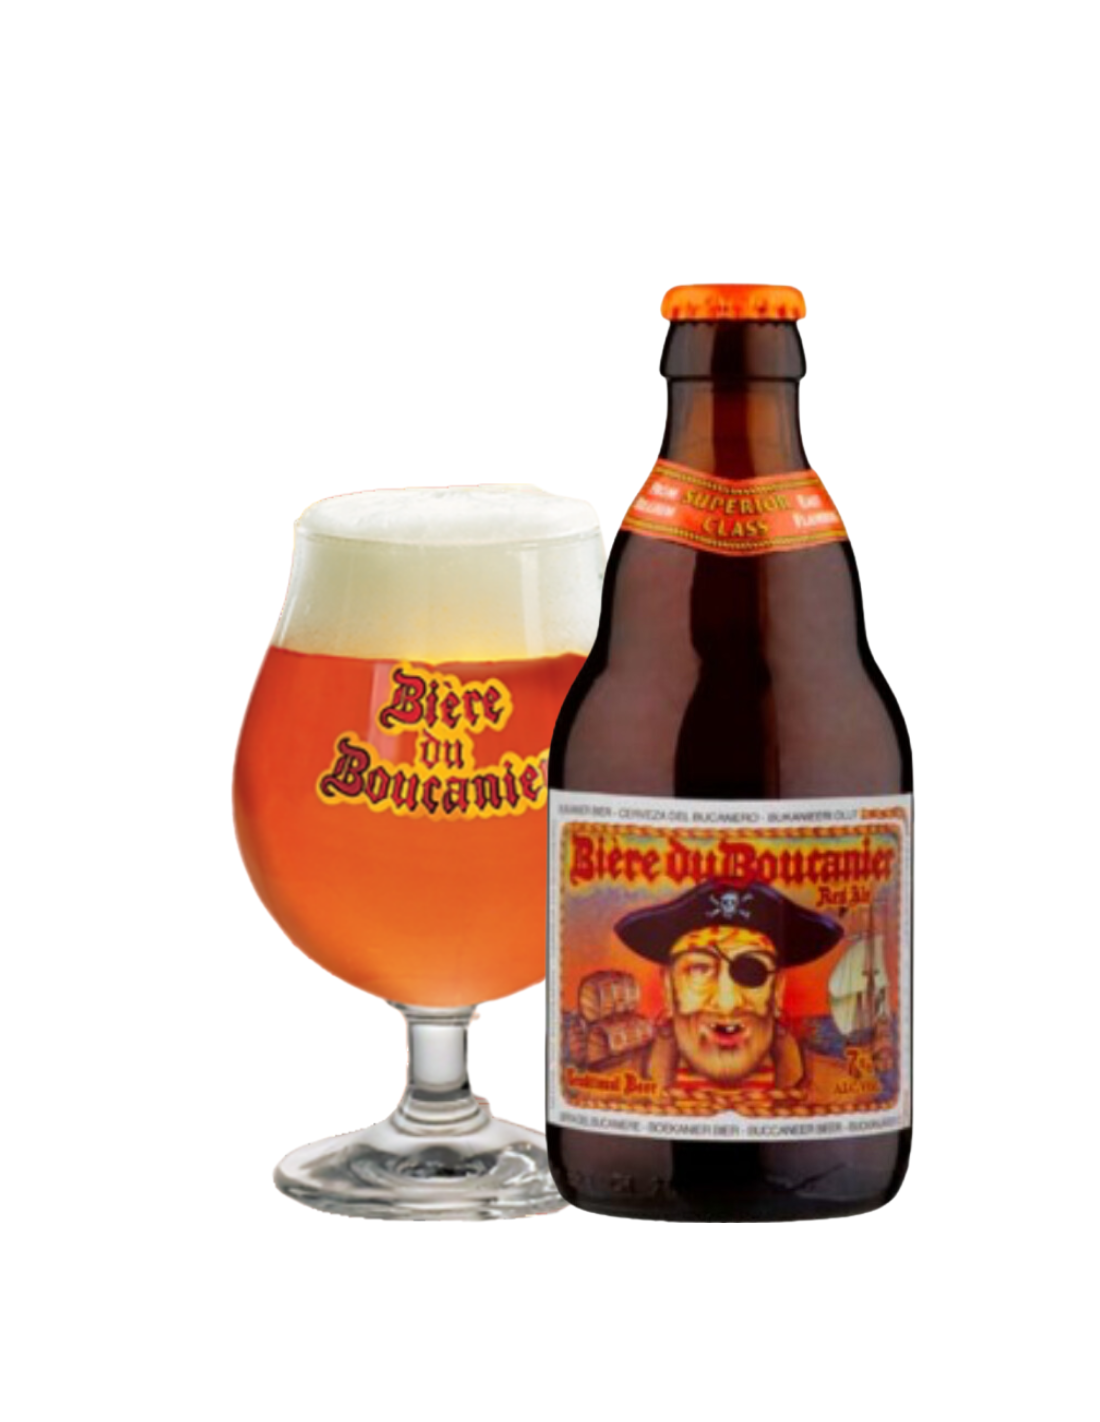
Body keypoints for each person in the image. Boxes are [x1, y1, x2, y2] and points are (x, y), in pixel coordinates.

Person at [614, 879, 850, 1097]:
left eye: (752, 971)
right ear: (668, 988)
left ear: (777, 990)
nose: (727, 1003)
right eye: (699, 969)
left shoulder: (835, 1085)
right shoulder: (612, 1082)